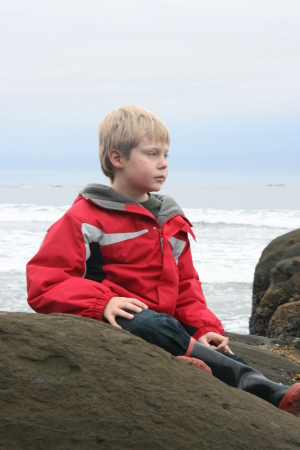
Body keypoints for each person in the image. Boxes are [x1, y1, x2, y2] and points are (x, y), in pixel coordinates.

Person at [26, 105, 300, 417]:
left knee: (216, 346)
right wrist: (102, 303)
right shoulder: (86, 217)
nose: (163, 165)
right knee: (153, 323)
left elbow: (185, 285)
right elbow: (45, 282)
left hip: (165, 324)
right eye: (152, 154)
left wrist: (202, 327)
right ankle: (264, 389)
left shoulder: (169, 219)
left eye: (166, 155)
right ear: (117, 159)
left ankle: (272, 395)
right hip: (116, 322)